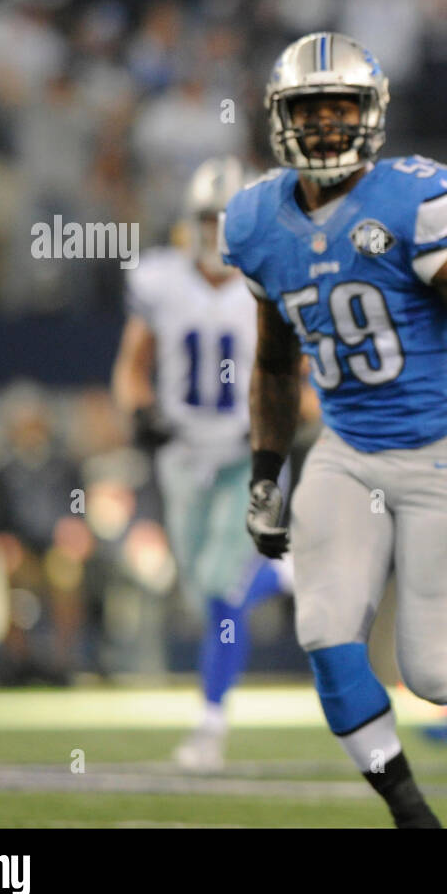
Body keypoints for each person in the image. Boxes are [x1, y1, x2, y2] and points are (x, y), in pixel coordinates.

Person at [222, 32, 447, 828]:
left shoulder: (415, 202)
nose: (327, 127)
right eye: (310, 110)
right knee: (325, 632)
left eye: (342, 109)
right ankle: (409, 810)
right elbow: (272, 362)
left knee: (436, 678)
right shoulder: (256, 219)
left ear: (371, 116)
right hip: (346, 453)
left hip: (442, 452)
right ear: (280, 118)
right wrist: (267, 472)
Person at [112, 156, 289, 771]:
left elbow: (304, 374)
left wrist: (279, 420)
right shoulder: (160, 279)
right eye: (206, 221)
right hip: (183, 454)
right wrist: (140, 413)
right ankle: (287, 572)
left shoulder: (270, 278)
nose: (216, 234)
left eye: (226, 220)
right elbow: (133, 365)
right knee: (199, 588)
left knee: (221, 591)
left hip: (247, 455)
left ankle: (210, 724)